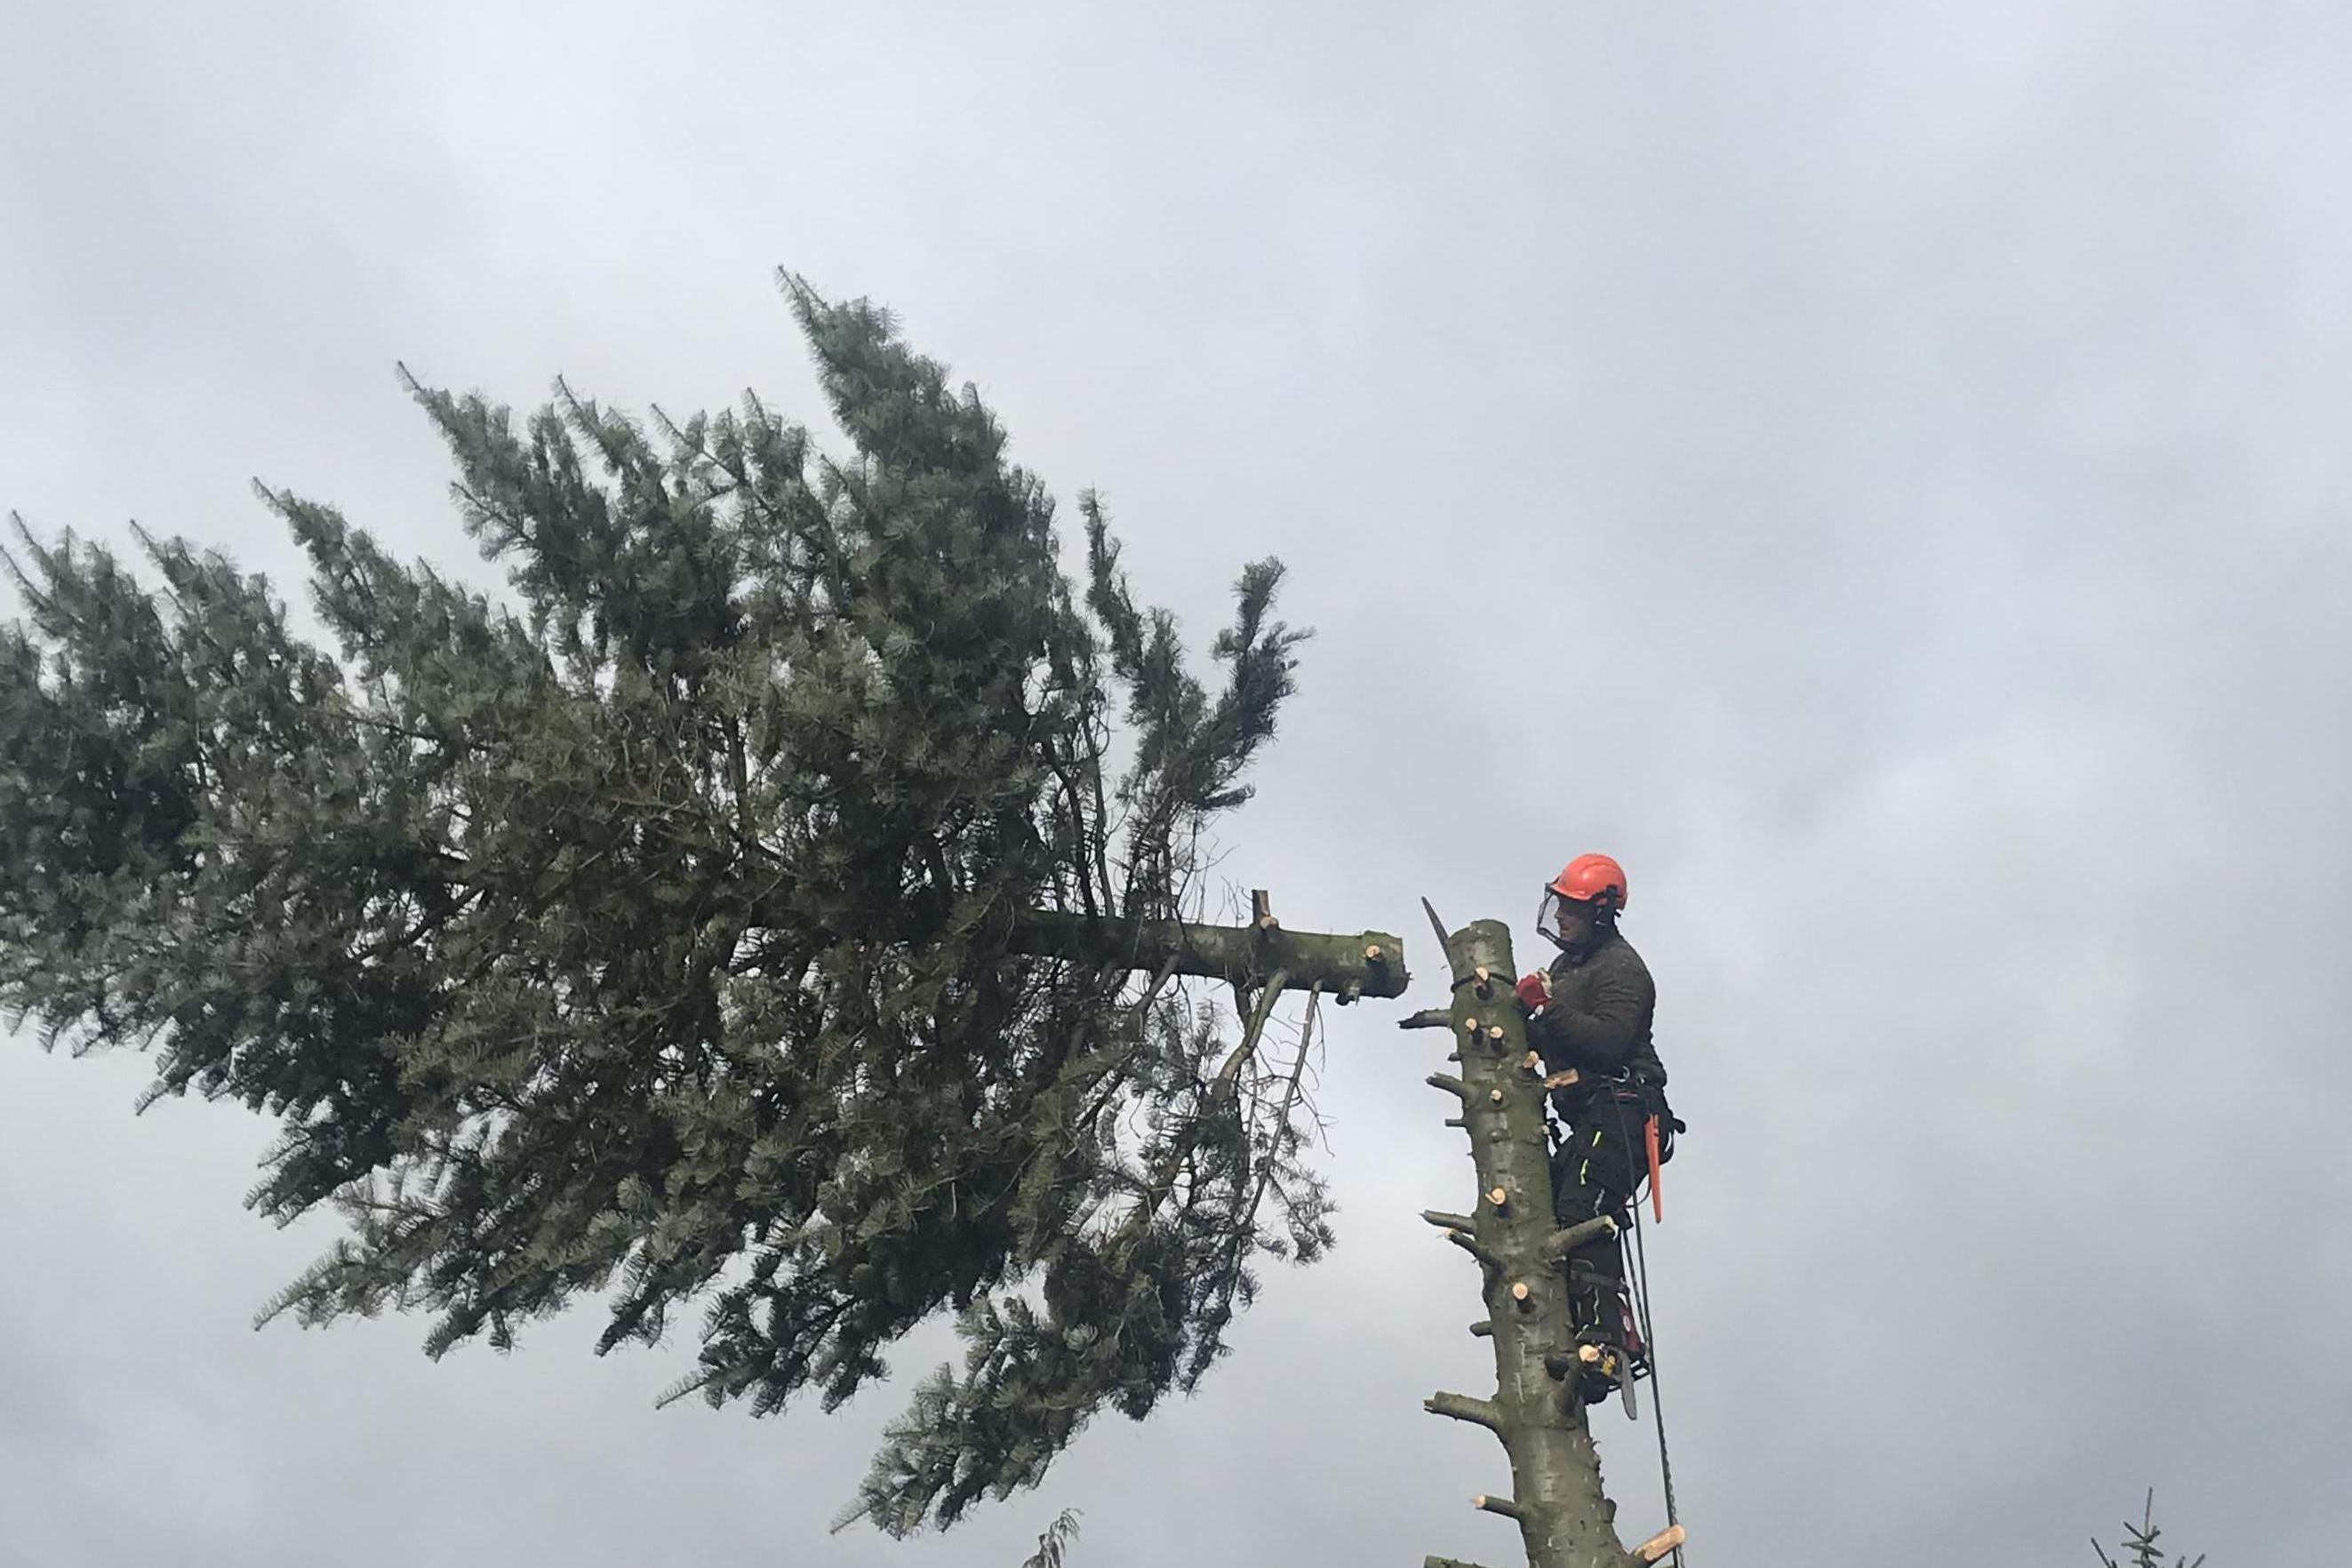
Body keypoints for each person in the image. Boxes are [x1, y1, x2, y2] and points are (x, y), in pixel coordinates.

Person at [1516, 852, 1677, 1403]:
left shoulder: (1622, 969)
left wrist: (1550, 1008)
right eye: (1559, 905)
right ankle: (1594, 1326)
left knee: (1583, 1212)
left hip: (1624, 1109)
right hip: (1589, 1113)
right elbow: (1557, 1035)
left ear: (1602, 914)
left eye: (1572, 909)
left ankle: (1606, 1341)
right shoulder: (1569, 968)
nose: (1561, 918)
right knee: (1556, 1215)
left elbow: (1607, 1040)